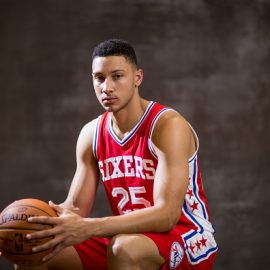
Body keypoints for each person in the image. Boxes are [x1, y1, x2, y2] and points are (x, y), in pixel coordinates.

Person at [13, 39, 217, 269]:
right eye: (99, 78)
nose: (106, 87)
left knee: (124, 247)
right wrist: (29, 227)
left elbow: (167, 216)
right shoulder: (92, 133)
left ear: (137, 78)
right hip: (125, 235)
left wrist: (90, 226)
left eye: (117, 76)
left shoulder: (167, 125)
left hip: (187, 237)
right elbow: (76, 208)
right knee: (34, 249)